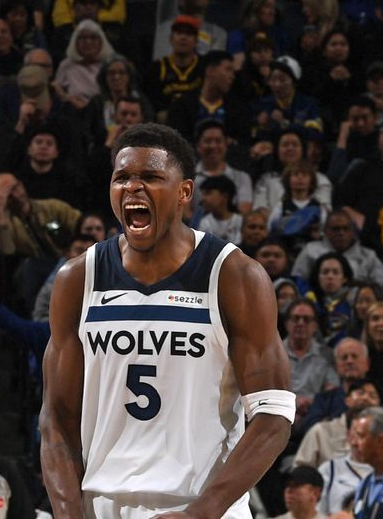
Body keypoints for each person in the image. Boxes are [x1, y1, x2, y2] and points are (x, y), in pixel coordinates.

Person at [39, 123, 294, 517]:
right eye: (121, 177)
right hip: (103, 506)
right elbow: (56, 419)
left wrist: (202, 512)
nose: (133, 188)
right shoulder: (78, 279)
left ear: (184, 192)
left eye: (151, 177)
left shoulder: (233, 275)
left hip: (204, 506)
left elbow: (274, 416)